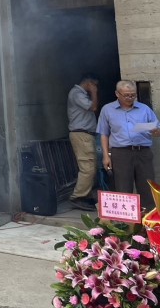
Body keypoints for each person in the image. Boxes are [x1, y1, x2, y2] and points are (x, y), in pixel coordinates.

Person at [99, 80, 160, 212]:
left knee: (147, 186)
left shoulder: (144, 109)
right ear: (117, 94)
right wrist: (106, 156)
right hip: (120, 153)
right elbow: (104, 134)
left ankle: (148, 218)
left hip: (143, 152)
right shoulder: (107, 110)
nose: (130, 98)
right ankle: (126, 221)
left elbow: (158, 130)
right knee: (123, 187)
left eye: (133, 95)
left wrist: (156, 131)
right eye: (126, 95)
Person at [67, 74, 99, 210]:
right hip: (81, 134)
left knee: (91, 166)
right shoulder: (77, 93)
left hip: (85, 134)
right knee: (87, 167)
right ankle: (78, 196)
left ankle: (86, 194)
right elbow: (93, 107)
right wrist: (94, 92)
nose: (96, 87)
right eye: (94, 84)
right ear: (88, 82)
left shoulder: (80, 94)